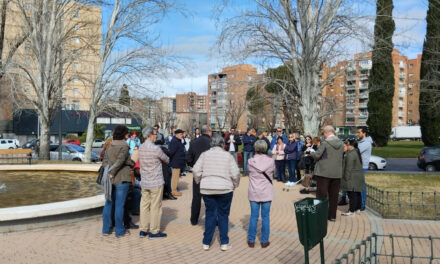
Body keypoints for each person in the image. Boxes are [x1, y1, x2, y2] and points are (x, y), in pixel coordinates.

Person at [192, 135, 240, 251]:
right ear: (222, 144)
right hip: (225, 188)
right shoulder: (227, 155)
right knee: (223, 215)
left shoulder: (204, 155)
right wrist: (235, 184)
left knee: (210, 214)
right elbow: (236, 173)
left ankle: (206, 242)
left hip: (207, 188)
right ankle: (224, 242)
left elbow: (195, 170)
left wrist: (199, 180)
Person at [102, 125, 135, 237]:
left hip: (109, 179)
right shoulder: (124, 146)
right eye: (127, 134)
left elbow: (105, 162)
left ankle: (106, 229)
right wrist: (114, 172)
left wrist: (109, 172)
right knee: (119, 206)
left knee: (108, 203)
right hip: (121, 178)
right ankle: (120, 231)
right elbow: (121, 161)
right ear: (124, 134)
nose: (128, 136)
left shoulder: (109, 145)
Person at [138, 126, 170, 239]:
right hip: (155, 182)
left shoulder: (140, 147)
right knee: (155, 207)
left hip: (145, 182)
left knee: (144, 205)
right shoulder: (155, 149)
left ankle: (143, 229)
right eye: (155, 133)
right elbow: (166, 159)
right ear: (150, 135)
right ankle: (154, 231)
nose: (156, 135)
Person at [311, 125, 344, 222]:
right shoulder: (341, 143)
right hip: (337, 172)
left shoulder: (325, 143)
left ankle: (320, 215)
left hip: (324, 172)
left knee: (321, 194)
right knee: (334, 196)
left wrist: (311, 152)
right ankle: (332, 216)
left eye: (323, 133)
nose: (323, 135)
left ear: (326, 132)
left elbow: (317, 155)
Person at [247, 140, 275, 248]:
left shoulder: (250, 161)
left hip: (254, 191)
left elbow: (249, 172)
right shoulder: (271, 161)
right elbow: (273, 172)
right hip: (266, 191)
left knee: (253, 217)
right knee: (265, 217)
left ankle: (251, 240)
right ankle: (264, 241)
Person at [186, 125, 212, 225]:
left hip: (197, 172)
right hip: (209, 173)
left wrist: (194, 165)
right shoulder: (212, 143)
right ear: (209, 131)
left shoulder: (193, 142)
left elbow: (188, 158)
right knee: (210, 197)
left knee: (196, 197)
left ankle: (194, 219)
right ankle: (211, 219)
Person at [341, 139, 364, 216]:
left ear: (351, 146)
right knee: (357, 193)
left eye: (347, 144)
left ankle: (351, 210)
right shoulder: (356, 152)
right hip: (357, 176)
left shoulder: (350, 154)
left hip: (352, 177)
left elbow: (348, 168)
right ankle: (358, 208)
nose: (346, 146)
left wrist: (345, 178)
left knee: (352, 194)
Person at [357, 127, 372, 211]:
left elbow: (356, 151)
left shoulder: (366, 143)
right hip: (359, 166)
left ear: (364, 133)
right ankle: (360, 203)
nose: (357, 134)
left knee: (361, 185)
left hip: (362, 166)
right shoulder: (362, 141)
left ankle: (362, 204)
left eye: (359, 132)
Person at [168, 129, 186, 196]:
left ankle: (174, 190)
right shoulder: (174, 141)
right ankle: (173, 191)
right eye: (181, 134)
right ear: (177, 134)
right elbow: (171, 152)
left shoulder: (177, 140)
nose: (182, 135)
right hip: (176, 162)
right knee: (174, 177)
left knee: (176, 177)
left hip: (178, 162)